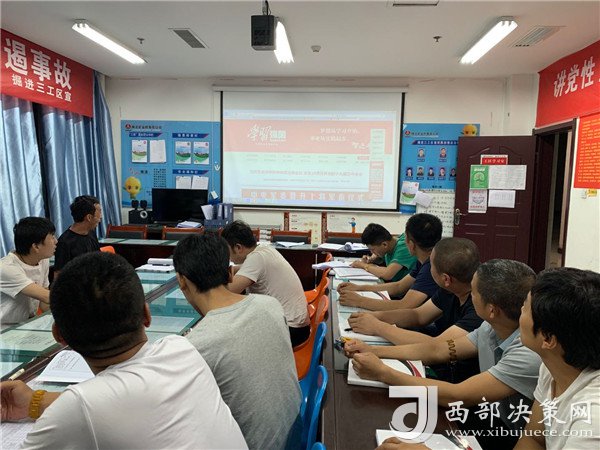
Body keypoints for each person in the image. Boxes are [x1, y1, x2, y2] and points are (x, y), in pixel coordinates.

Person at [0, 252, 247, 449]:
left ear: (59, 336)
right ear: (146, 315)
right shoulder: (181, 348)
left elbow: (93, 406)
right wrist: (33, 403)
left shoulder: (81, 406)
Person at [349, 259, 541, 450]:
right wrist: (373, 351)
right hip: (493, 417)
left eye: (474, 292)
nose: (470, 295)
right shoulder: (491, 327)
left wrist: (382, 372)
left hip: (510, 434)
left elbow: (457, 395)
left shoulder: (527, 354)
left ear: (492, 310)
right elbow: (437, 349)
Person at [173, 233, 302, 450]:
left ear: (181, 280)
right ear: (230, 273)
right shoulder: (270, 305)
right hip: (296, 431)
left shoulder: (196, 346)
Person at [346, 238, 483, 381]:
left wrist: (377, 328)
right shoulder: (452, 288)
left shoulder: (479, 308)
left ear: (446, 279)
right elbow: (418, 315)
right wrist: (376, 317)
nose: (428, 268)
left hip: (460, 379)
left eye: (431, 265)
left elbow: (436, 347)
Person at [514, 268, 600, 450]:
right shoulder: (553, 365)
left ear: (547, 339)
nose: (521, 310)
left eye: (526, 307)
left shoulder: (593, 418)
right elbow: (534, 438)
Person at [221, 220, 310, 347]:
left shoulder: (256, 259)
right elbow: (240, 269)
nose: (227, 256)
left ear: (238, 248)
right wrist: (221, 270)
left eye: (227, 250)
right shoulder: (264, 249)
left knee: (231, 335)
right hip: (298, 324)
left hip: (291, 329)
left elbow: (228, 291)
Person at [338, 213, 442, 311]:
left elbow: (405, 306)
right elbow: (399, 287)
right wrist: (359, 288)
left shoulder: (431, 267)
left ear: (411, 244)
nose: (403, 241)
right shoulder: (424, 260)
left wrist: (359, 301)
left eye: (405, 238)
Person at [0, 217, 56, 328]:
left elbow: (44, 303)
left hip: (28, 324)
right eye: (52, 237)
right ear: (36, 246)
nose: (56, 241)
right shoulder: (6, 268)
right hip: (5, 328)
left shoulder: (42, 260)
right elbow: (46, 296)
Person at [349, 223, 416, 283]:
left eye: (373, 249)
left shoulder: (404, 247)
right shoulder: (391, 243)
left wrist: (363, 265)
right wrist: (373, 259)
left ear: (384, 245)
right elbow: (382, 258)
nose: (372, 252)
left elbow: (387, 274)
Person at [53, 195, 102, 274]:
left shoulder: (91, 233)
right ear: (89, 217)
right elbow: (59, 274)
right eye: (99, 212)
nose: (100, 218)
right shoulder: (64, 242)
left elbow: (99, 261)